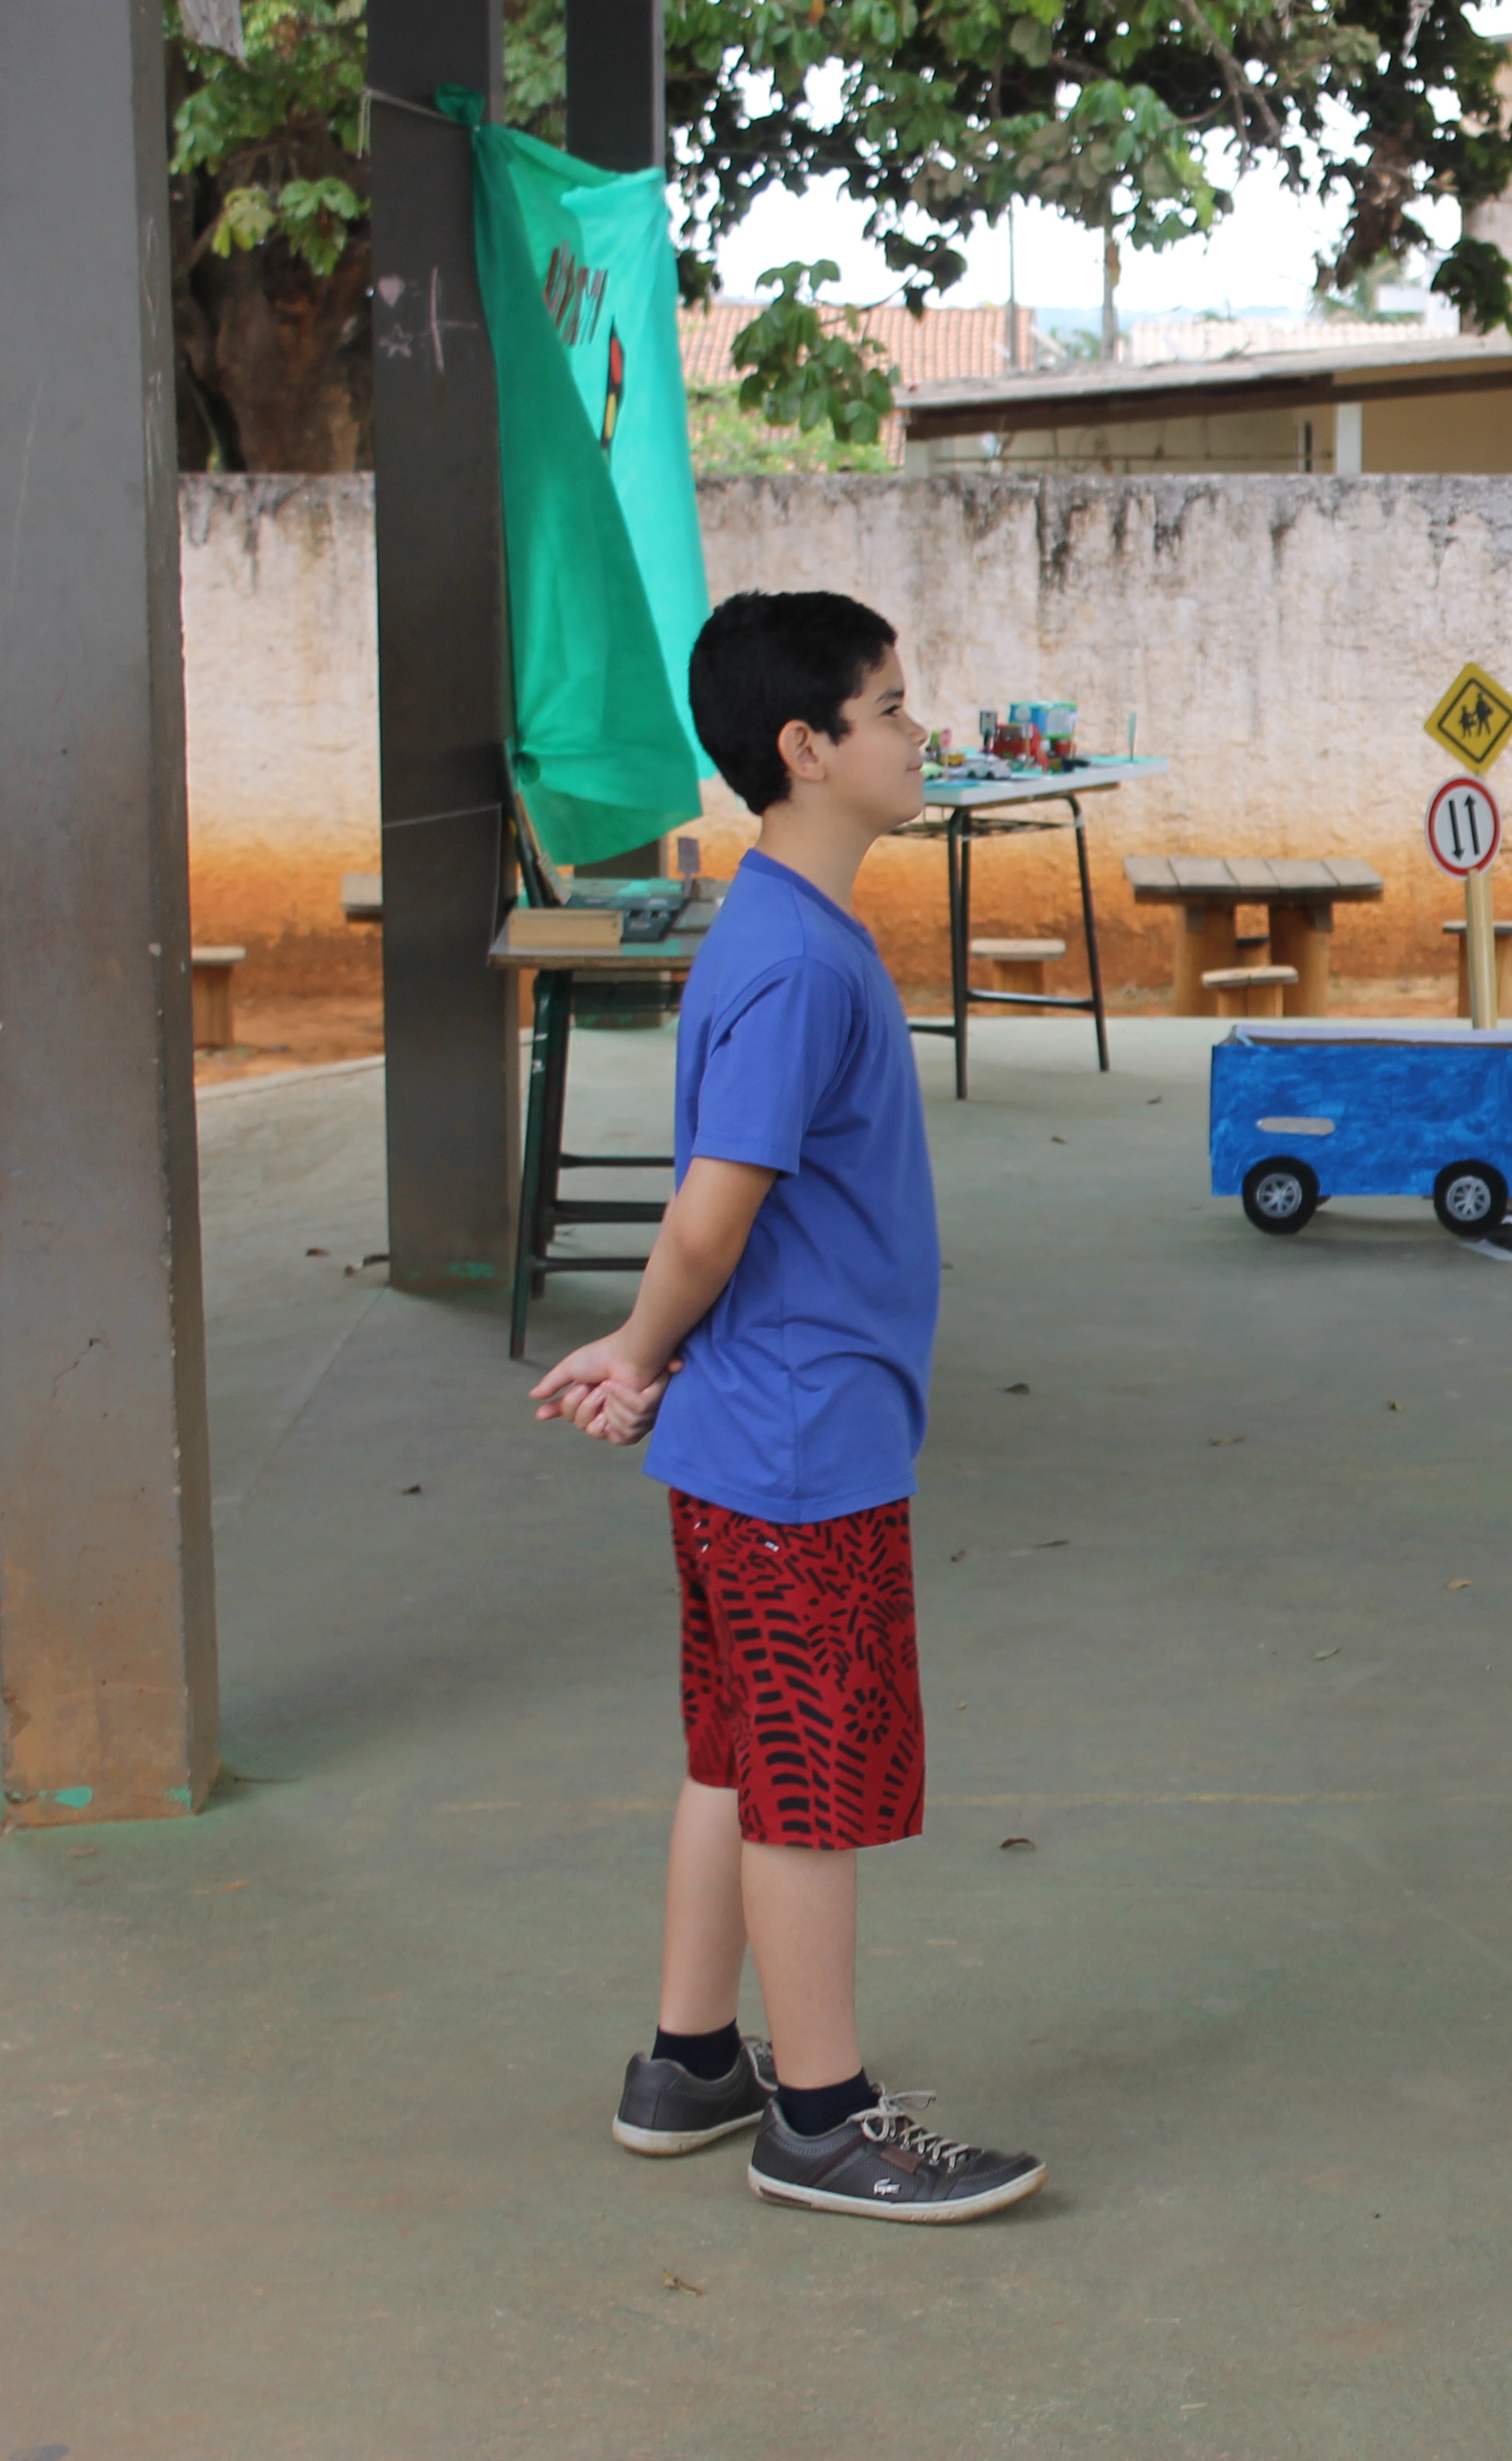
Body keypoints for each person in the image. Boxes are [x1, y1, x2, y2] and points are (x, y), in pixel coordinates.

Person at [531, 589, 1046, 2224]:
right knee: (808, 1784)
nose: (922, 735)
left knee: (741, 1759)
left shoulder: (776, 928)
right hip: (800, 1450)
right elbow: (711, 1211)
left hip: (754, 1435)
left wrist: (661, 1363)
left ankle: (691, 2062)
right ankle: (820, 2118)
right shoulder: (803, 965)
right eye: (892, 710)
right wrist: (634, 1345)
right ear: (806, 750)